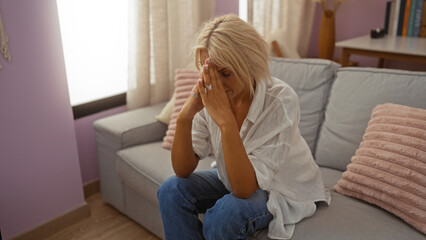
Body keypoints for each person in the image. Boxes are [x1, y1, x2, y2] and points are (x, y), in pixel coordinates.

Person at [157, 14, 330, 240]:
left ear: (249, 63)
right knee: (171, 190)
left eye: (225, 73)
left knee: (225, 214)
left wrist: (226, 121)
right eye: (209, 72)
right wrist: (185, 116)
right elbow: (182, 170)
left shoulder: (280, 100)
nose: (215, 83)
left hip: (279, 187)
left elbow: (244, 190)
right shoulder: (211, 93)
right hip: (235, 176)